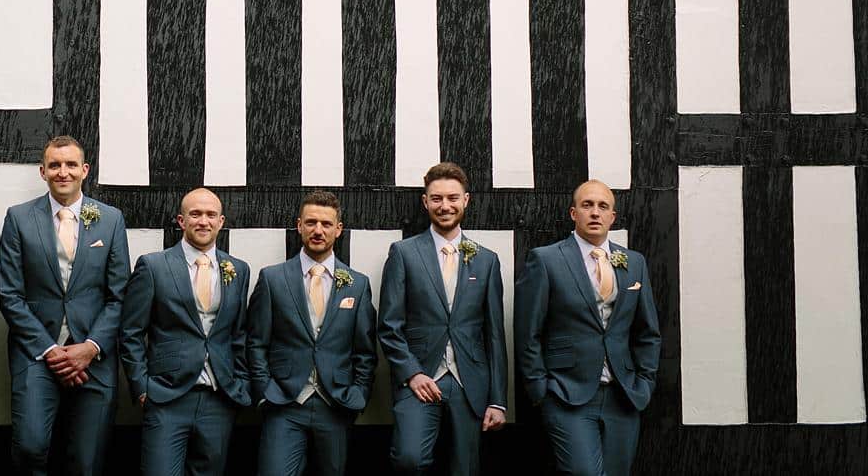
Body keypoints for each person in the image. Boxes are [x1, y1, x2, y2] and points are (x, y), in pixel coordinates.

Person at [0, 135, 130, 476]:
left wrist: (91, 346)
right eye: (55, 165)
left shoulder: (111, 220)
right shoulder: (18, 218)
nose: (63, 172)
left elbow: (119, 295)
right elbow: (10, 295)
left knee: (87, 462)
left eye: (71, 164)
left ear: (84, 170)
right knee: (29, 448)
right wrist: (50, 350)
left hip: (94, 357)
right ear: (43, 172)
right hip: (37, 353)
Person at [515, 180, 661, 476]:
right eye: (587, 205)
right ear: (573, 213)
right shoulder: (546, 260)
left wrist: (644, 382)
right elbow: (527, 332)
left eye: (602, 206)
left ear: (612, 217)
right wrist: (541, 389)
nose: (595, 212)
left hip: (624, 395)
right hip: (567, 394)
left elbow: (647, 332)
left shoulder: (634, 263)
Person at [378, 163, 506, 475]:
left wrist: (498, 400)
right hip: (420, 377)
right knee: (409, 459)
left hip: (471, 381)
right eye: (436, 199)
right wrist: (412, 374)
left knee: (466, 468)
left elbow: (494, 334)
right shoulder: (404, 253)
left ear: (466, 200)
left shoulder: (487, 260)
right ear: (425, 202)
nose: (445, 206)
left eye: (452, 198)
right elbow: (389, 326)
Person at [120, 187, 252, 476]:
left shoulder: (238, 270)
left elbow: (238, 334)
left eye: (210, 215)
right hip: (167, 397)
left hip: (220, 398)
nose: (203, 221)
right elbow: (131, 332)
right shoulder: (153, 266)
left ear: (221, 221)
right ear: (181, 221)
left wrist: (239, 384)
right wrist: (142, 388)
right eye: (195, 214)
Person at [247, 190, 377, 476]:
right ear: (299, 225)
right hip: (284, 403)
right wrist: (265, 392)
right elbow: (255, 342)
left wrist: (357, 395)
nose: (318, 230)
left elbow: (365, 351)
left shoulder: (357, 283)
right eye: (311, 222)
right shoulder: (272, 278)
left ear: (338, 229)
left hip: (336, 404)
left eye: (326, 224)